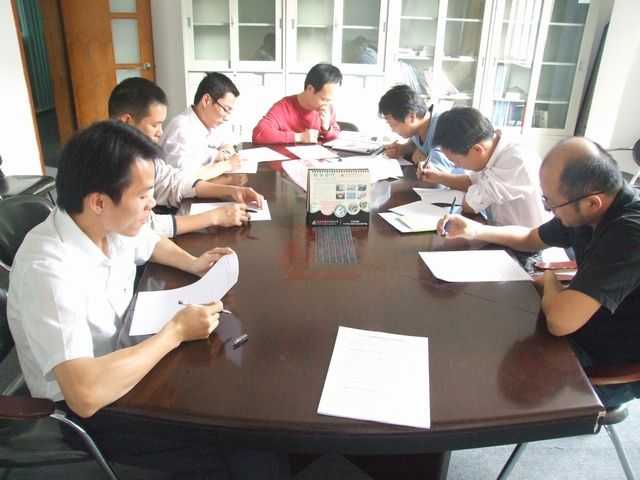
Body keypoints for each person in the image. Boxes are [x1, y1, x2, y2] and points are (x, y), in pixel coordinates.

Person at [7, 121, 232, 417]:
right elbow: (85, 396)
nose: (152, 203)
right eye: (143, 196)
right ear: (99, 202)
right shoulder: (48, 270)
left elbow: (151, 242)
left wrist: (192, 262)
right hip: (90, 407)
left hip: (129, 353)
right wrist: (175, 333)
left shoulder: (106, 223)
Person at [436, 137, 640, 408]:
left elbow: (560, 321)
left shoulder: (629, 232)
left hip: (611, 360)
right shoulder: (588, 205)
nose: (548, 209)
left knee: (480, 377)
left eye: (550, 203)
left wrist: (549, 281)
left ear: (592, 202)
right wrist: (475, 230)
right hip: (583, 322)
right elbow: (531, 238)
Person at [109, 77, 263, 237]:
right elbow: (148, 228)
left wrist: (231, 191)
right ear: (126, 121)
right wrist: (215, 217)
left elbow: (174, 181)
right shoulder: (114, 164)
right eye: (155, 125)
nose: (161, 132)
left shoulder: (142, 155)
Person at [425, 107, 548, 228]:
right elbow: (471, 181)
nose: (456, 165)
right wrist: (438, 177)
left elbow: (470, 205)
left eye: (455, 161)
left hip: (527, 238)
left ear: (477, 150)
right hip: (497, 231)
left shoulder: (516, 161)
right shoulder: (491, 146)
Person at [161, 72, 241, 177]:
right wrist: (227, 165)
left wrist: (224, 153)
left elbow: (227, 141)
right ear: (206, 100)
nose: (227, 117)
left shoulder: (208, 122)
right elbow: (183, 178)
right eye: (226, 109)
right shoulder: (181, 128)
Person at [252, 63, 342, 144]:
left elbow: (336, 134)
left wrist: (327, 128)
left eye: (330, 100)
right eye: (324, 99)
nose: (327, 104)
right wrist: (299, 137)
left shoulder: (328, 107)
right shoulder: (284, 107)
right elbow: (259, 134)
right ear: (310, 89)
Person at [378, 84, 456, 172]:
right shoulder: (418, 127)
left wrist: (423, 160)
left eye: (394, 125)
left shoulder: (443, 129)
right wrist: (403, 149)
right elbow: (416, 143)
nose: (392, 130)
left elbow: (436, 175)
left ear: (411, 117)